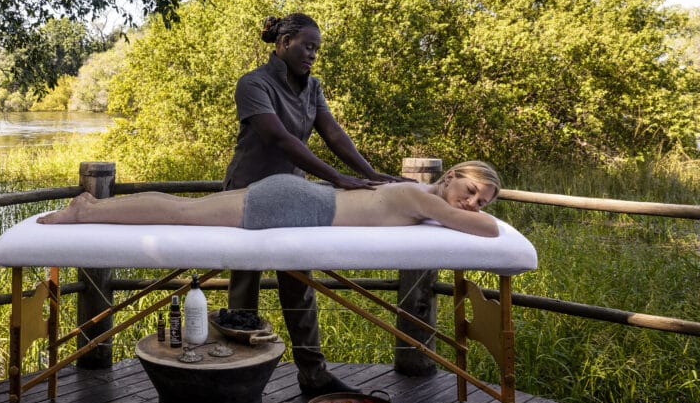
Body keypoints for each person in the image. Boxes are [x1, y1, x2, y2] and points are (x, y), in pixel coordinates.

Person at [224, 12, 405, 396]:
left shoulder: (313, 88)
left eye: (316, 49)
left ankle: (313, 373)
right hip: (247, 192)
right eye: (307, 46)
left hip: (293, 197)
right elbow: (278, 138)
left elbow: (334, 135)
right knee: (245, 282)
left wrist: (372, 175)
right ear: (284, 42)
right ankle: (239, 373)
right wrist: (336, 178)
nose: (313, 55)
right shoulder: (252, 83)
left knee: (300, 283)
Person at [38, 160, 502, 238]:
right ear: (455, 175)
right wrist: (477, 217)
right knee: (182, 213)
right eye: (471, 192)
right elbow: (491, 229)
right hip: (297, 205)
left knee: (185, 209)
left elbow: (480, 221)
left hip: (301, 196)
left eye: (480, 202)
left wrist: (469, 209)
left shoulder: (418, 191)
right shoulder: (427, 199)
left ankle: (92, 208)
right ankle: (88, 210)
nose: (471, 206)